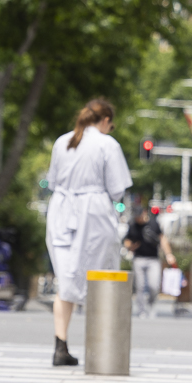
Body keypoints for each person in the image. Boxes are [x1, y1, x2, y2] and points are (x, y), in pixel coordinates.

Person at [45, 98, 131, 368]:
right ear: (105, 120)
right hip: (92, 213)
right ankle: (100, 345)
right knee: (99, 276)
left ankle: (61, 344)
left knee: (66, 279)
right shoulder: (107, 144)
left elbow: (54, 181)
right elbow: (117, 189)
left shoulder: (62, 141)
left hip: (60, 212)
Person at [124, 204, 175, 318]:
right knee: (140, 286)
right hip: (139, 259)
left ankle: (151, 305)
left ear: (144, 213)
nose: (138, 219)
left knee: (154, 285)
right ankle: (142, 310)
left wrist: (169, 254)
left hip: (153, 259)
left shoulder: (153, 224)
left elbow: (163, 239)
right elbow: (127, 241)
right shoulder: (133, 226)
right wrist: (131, 246)